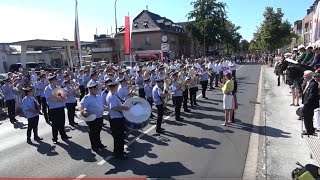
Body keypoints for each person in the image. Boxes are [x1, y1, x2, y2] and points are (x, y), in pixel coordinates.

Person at [106, 81, 130, 159]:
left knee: (119, 137)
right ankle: (118, 153)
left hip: (117, 118)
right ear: (113, 87)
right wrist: (124, 108)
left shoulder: (113, 94)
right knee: (119, 137)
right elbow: (113, 107)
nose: (117, 87)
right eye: (116, 86)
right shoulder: (112, 96)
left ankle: (119, 151)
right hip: (116, 119)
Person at [44, 75, 71, 144]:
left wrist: (63, 98)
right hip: (53, 108)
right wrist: (59, 99)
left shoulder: (58, 88)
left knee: (62, 122)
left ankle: (63, 135)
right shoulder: (47, 89)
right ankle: (55, 138)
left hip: (60, 107)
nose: (56, 81)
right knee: (55, 124)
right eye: (55, 80)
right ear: (51, 81)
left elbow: (63, 95)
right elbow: (49, 98)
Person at [80, 81, 106, 152]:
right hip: (92, 118)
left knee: (98, 131)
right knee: (93, 132)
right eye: (95, 89)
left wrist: (107, 108)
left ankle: (99, 143)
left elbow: (102, 105)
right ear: (90, 89)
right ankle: (94, 146)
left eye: (96, 89)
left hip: (100, 116)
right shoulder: (87, 98)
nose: (96, 90)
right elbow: (81, 106)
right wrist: (84, 111)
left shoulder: (98, 96)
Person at [302, 70, 319, 135]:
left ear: (308, 76)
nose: (303, 76)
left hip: (309, 104)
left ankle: (309, 130)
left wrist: (307, 102)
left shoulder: (313, 83)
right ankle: (309, 129)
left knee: (308, 117)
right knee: (307, 117)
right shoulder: (308, 82)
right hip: (306, 103)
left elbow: (312, 94)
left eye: (304, 75)